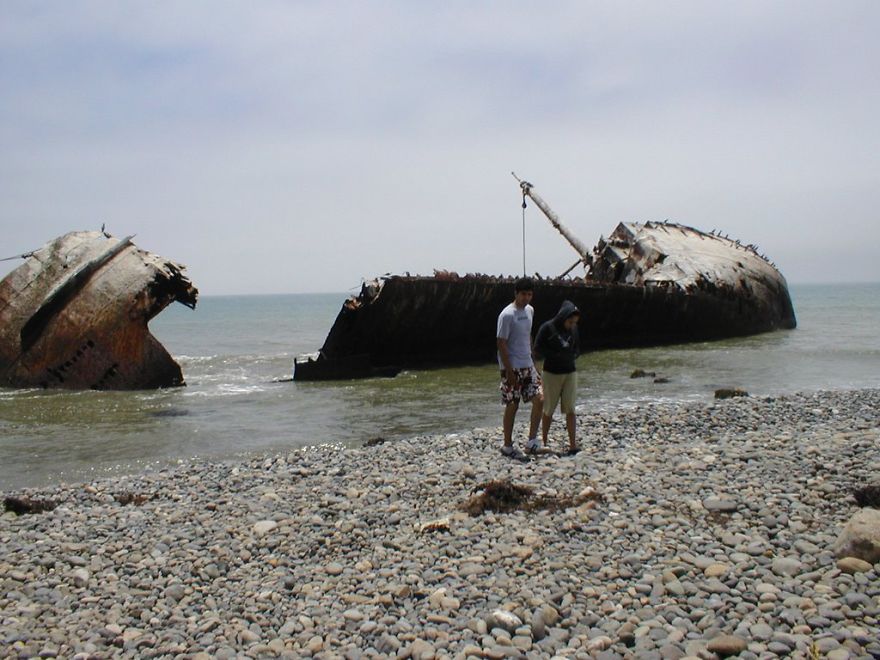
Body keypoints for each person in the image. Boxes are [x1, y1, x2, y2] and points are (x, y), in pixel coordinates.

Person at [496, 277, 543, 460]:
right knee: (513, 405)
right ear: (516, 293)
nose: (526, 298)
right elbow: (501, 343)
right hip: (512, 366)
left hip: (527, 364)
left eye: (530, 294)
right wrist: (508, 370)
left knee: (540, 399)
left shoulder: (530, 310)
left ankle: (531, 442)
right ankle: (507, 445)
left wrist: (534, 363)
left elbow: (527, 336)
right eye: (523, 294)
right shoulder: (507, 314)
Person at [534, 300, 581, 455]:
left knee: (571, 409)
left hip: (570, 372)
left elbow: (577, 348)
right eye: (570, 321)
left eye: (574, 322)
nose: (572, 325)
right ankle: (545, 440)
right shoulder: (547, 328)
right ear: (563, 317)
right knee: (548, 409)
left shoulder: (574, 330)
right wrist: (554, 354)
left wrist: (573, 354)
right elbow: (537, 349)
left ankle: (573, 444)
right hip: (551, 373)